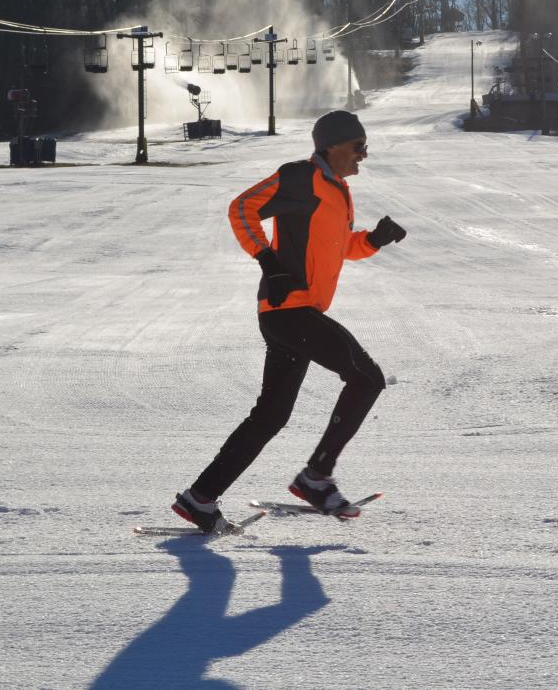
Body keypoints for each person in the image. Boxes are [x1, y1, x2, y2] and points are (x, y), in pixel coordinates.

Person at [172, 110, 407, 530]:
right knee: (366, 377)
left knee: (271, 415)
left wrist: (372, 240)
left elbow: (339, 248)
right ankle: (316, 477)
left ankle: (200, 498)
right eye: (358, 146)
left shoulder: (338, 191)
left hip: (298, 314)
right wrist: (268, 261)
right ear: (332, 145)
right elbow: (241, 208)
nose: (364, 155)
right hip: (289, 308)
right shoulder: (300, 176)